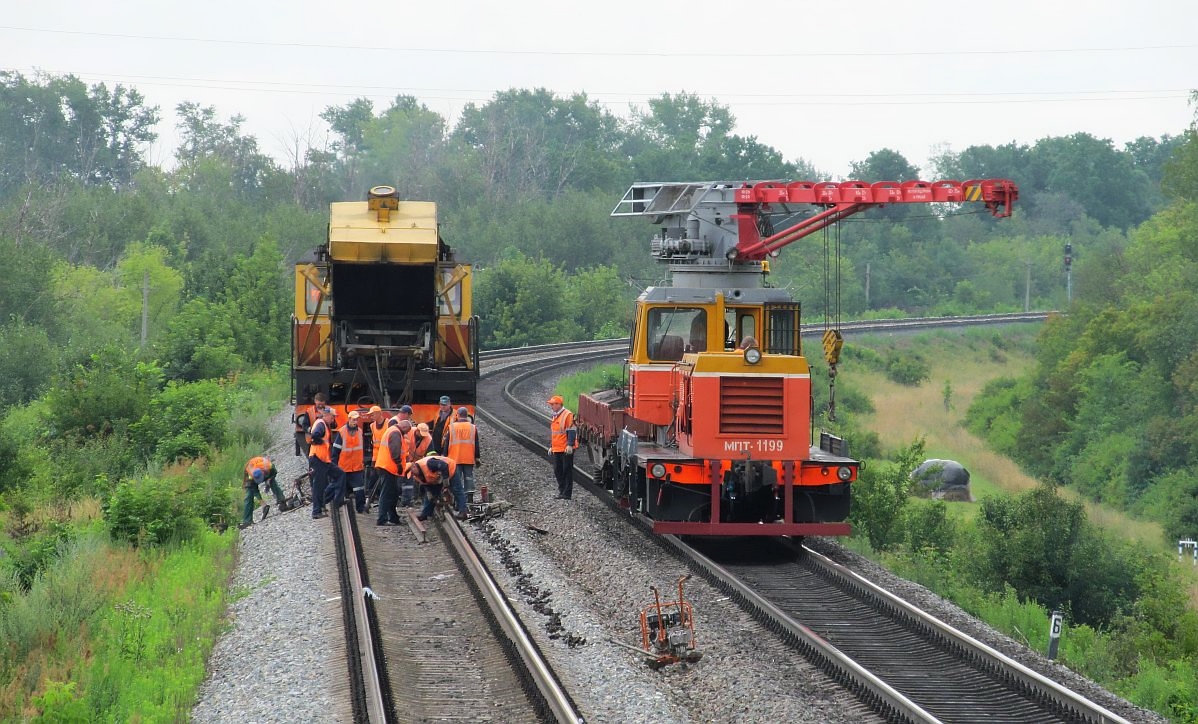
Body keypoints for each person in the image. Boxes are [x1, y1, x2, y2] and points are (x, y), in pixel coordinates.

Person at [444, 406, 480, 514]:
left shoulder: (452, 427)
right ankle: (469, 498)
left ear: (457, 415)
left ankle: (457, 501)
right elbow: (476, 444)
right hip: (468, 457)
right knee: (469, 477)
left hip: (455, 458)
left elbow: (446, 444)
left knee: (457, 480)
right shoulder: (473, 427)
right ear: (467, 415)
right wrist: (477, 457)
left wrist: (444, 456)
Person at [330, 410, 366, 513]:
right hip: (344, 467)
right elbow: (335, 451)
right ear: (349, 419)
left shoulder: (360, 431)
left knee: (359, 489)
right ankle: (336, 505)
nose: (355, 422)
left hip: (356, 467)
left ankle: (360, 508)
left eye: (357, 420)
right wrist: (335, 466)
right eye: (354, 419)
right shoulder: (342, 432)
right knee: (340, 488)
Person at [374, 417, 407, 526]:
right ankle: (382, 519)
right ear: (404, 427)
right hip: (389, 467)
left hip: (387, 467)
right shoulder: (395, 433)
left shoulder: (392, 430)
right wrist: (398, 464)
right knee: (387, 494)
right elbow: (395, 450)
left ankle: (393, 518)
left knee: (393, 493)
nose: (406, 434)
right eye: (406, 431)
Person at [241, 455, 289, 529]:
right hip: (251, 473)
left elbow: (274, 472)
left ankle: (282, 502)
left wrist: (269, 480)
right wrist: (262, 502)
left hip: (265, 471)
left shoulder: (269, 466)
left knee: (273, 484)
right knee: (249, 495)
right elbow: (254, 489)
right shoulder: (250, 474)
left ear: (264, 473)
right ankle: (247, 521)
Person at [408, 454, 458, 521]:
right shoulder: (416, 475)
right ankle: (426, 514)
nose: (413, 475)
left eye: (412, 473)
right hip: (435, 479)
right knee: (431, 496)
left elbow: (444, 466)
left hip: (449, 468)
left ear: (414, 467)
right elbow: (424, 482)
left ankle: (462, 510)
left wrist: (445, 480)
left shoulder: (428, 463)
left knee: (457, 490)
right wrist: (428, 491)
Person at [308, 406, 337, 519]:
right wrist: (318, 441)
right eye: (332, 417)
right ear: (326, 415)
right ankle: (316, 511)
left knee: (337, 476)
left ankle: (323, 503)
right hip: (318, 459)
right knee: (318, 485)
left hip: (323, 459)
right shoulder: (320, 424)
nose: (333, 419)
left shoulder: (324, 424)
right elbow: (314, 435)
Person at [547, 395, 577, 500]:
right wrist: (551, 446)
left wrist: (570, 445)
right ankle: (562, 491)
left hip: (565, 448)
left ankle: (567, 494)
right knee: (557, 470)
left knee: (567, 470)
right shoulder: (555, 416)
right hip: (557, 448)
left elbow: (572, 430)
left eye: (553, 404)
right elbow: (555, 434)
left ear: (559, 404)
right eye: (551, 404)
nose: (551, 406)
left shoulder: (567, 415)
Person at [294, 392, 327, 458]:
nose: (320, 406)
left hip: (326, 441)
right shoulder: (309, 411)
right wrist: (310, 429)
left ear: (325, 402)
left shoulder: (329, 411)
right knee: (313, 460)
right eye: (319, 403)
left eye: (322, 403)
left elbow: (334, 425)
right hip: (312, 441)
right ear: (315, 401)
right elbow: (304, 425)